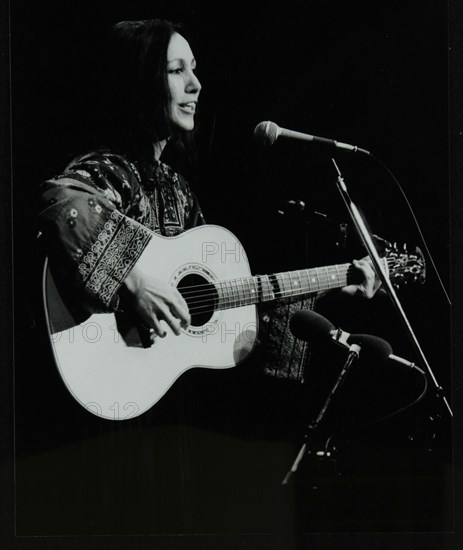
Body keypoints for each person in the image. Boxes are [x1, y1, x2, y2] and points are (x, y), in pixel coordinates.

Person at [37, 18, 379, 395]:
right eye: (175, 70)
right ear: (138, 83)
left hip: (154, 393)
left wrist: (333, 286)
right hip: (96, 391)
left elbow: (217, 310)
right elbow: (61, 200)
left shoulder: (177, 188)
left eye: (194, 70)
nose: (195, 85)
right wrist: (133, 282)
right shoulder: (111, 170)